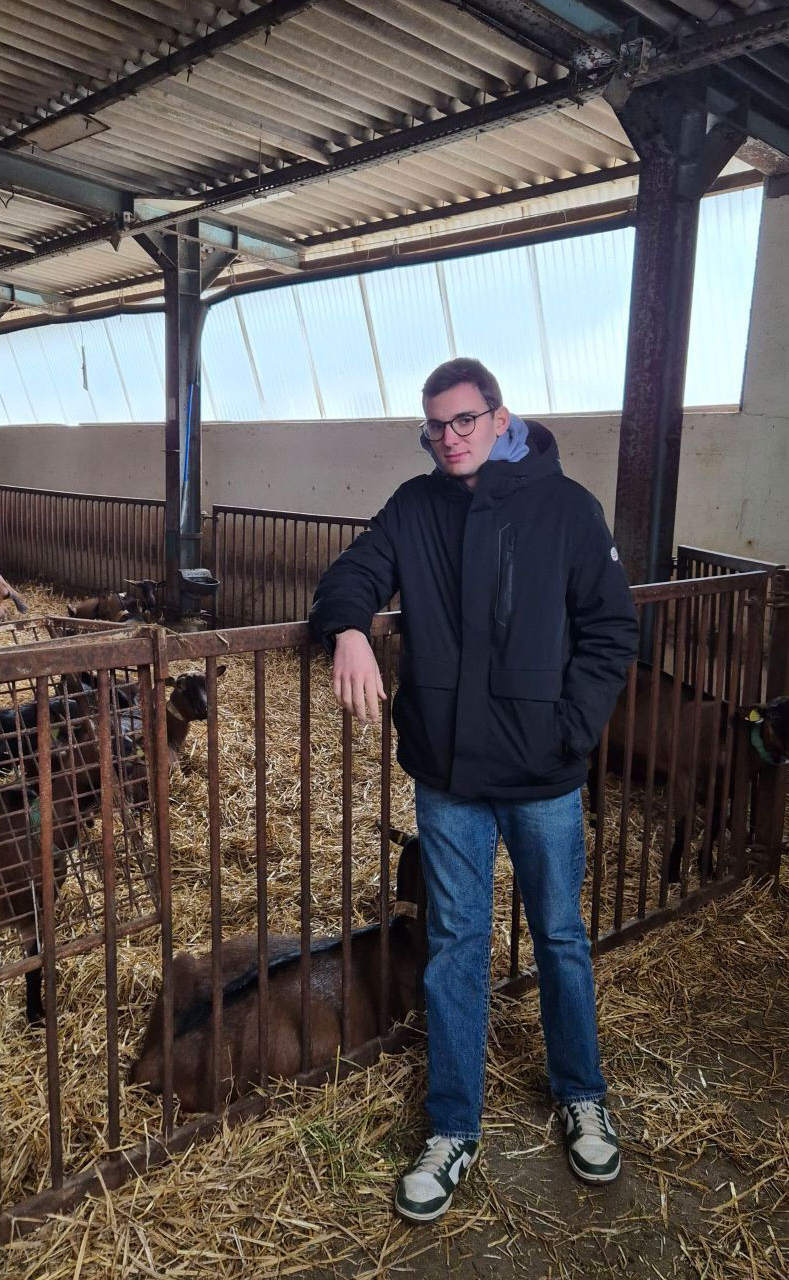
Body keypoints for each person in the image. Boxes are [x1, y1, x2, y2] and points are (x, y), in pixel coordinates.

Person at [309, 357, 639, 1224]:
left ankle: (581, 1095)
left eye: (463, 420)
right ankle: (453, 1127)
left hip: (543, 777)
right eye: (435, 426)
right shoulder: (415, 508)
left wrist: (569, 729)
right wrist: (349, 628)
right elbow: (347, 574)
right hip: (448, 775)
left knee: (560, 936)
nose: (449, 438)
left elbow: (611, 630)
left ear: (500, 417)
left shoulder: (567, 509)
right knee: (456, 943)